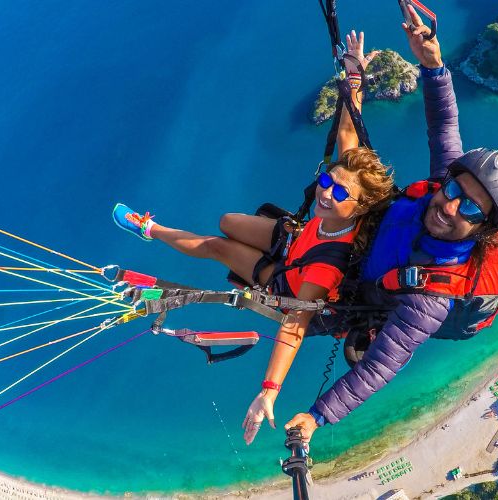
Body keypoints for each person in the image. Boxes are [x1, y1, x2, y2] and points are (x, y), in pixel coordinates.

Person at [112, 31, 394, 445]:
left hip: (288, 278)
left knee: (218, 247)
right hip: (299, 240)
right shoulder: (338, 204)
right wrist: (354, 77)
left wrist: (269, 391)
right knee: (227, 220)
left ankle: (150, 229)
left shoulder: (327, 267)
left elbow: (294, 327)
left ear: (360, 207)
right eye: (325, 180)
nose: (325, 191)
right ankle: (160, 230)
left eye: (338, 192)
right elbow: (349, 132)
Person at [283, 6, 498, 446]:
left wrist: (317, 417)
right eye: (453, 191)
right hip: (371, 249)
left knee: (280, 300)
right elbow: (444, 126)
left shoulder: (432, 298)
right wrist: (432, 64)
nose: (450, 207)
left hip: (362, 295)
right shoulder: (443, 185)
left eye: (470, 211)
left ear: (485, 231)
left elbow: (380, 367)